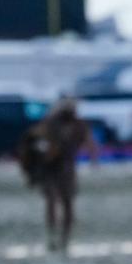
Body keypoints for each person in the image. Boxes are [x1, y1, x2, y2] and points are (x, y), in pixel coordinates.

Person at [16, 98, 95, 253]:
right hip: (50, 169)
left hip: (66, 169)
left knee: (67, 204)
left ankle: (64, 238)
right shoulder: (50, 124)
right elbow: (35, 144)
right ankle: (52, 235)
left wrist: (93, 156)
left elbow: (89, 142)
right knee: (52, 201)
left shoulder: (78, 125)